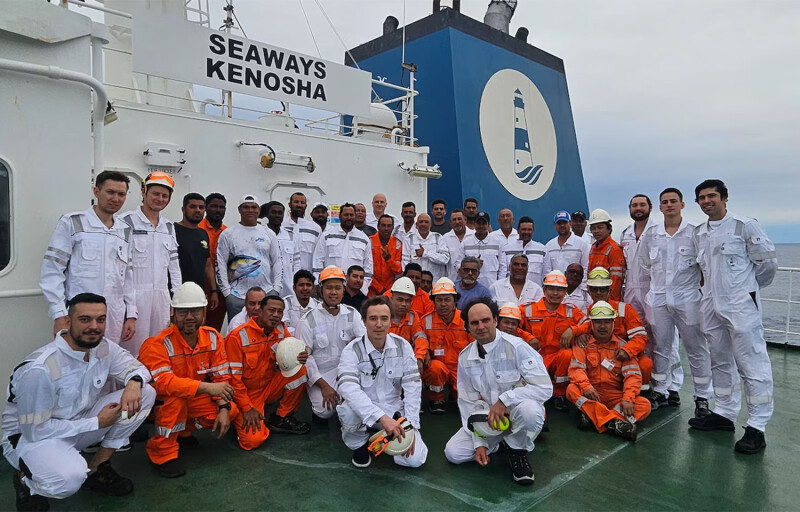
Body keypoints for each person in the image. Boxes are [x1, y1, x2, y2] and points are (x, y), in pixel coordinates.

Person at [2, 293, 154, 510]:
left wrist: (134, 382)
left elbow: (138, 368)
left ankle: (97, 467)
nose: (94, 326)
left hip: (76, 422)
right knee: (69, 480)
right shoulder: (40, 369)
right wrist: (96, 423)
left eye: (100, 320)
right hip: (30, 439)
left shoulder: (102, 348)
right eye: (85, 319)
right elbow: (35, 431)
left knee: (146, 393)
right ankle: (27, 482)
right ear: (67, 321)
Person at [689, 179, 777, 454]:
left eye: (712, 196)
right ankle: (725, 412)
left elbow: (767, 265)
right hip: (711, 304)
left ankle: (757, 426)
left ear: (725, 198)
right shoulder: (699, 232)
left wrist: (747, 292)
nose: (707, 201)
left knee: (752, 363)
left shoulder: (744, 225)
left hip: (740, 305)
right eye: (702, 198)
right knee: (720, 360)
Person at [444, 297, 551, 486]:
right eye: (474, 323)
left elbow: (544, 387)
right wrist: (480, 443)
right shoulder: (465, 358)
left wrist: (504, 400)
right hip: (489, 418)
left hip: (517, 411)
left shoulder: (517, 347)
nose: (481, 326)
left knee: (530, 412)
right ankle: (503, 442)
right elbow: (468, 404)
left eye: (485, 320)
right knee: (454, 453)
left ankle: (518, 452)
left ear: (495, 320)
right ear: (467, 327)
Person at [138, 282, 239, 478]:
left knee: (231, 409)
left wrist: (224, 408)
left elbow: (222, 378)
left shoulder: (213, 338)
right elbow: (164, 383)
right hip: (161, 403)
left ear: (204, 312)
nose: (190, 317)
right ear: (172, 313)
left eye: (195, 311)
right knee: (176, 400)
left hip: (192, 397)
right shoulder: (157, 344)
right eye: (183, 312)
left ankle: (183, 434)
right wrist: (207, 387)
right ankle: (162, 452)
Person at [638, 188, 713, 417]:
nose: (669, 205)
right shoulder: (651, 233)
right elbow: (643, 263)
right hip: (659, 297)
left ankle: (702, 397)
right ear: (659, 207)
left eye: (673, 201)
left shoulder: (694, 232)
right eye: (664, 202)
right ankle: (661, 390)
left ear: (682, 204)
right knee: (661, 346)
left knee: (696, 348)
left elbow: (705, 265)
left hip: (687, 298)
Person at [40, 170, 137, 344]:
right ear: (96, 191)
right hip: (80, 315)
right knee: (76, 362)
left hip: (113, 315)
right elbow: (52, 270)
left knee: (107, 362)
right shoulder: (73, 222)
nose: (116, 199)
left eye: (121, 194)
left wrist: (131, 314)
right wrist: (59, 314)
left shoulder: (125, 230)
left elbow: (128, 276)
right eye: (110, 192)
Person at [337, 296, 428, 468]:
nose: (379, 324)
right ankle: (360, 443)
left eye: (384, 318)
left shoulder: (403, 346)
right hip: (362, 410)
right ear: (364, 321)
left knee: (415, 460)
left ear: (390, 321)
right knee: (348, 411)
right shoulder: (352, 350)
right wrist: (381, 417)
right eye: (373, 318)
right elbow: (348, 388)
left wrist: (412, 428)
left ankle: (383, 438)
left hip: (393, 409)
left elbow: (413, 386)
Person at [226, 294, 311, 447]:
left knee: (300, 371)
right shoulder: (237, 336)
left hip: (269, 386)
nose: (276, 315)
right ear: (260, 311)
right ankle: (237, 421)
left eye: (280, 312)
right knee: (253, 441)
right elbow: (233, 380)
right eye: (271, 310)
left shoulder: (281, 331)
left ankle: (281, 417)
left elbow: (290, 358)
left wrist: (299, 356)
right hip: (246, 394)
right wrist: (246, 408)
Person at [567, 301, 651, 441]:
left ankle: (595, 419)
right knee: (571, 389)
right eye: (598, 322)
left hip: (615, 396)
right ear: (591, 324)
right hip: (592, 393)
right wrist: (586, 387)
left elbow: (633, 376)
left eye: (606, 322)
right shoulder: (582, 344)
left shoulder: (623, 348)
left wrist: (628, 398)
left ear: (613, 324)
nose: (602, 326)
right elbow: (576, 369)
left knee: (645, 405)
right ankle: (615, 422)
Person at [120, 172, 182, 356]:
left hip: (162, 297)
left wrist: (176, 298)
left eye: (165, 196)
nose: (160, 199)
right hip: (134, 296)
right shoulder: (126, 222)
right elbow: (122, 266)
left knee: (158, 347)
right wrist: (128, 303)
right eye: (155, 193)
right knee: (131, 350)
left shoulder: (168, 227)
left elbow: (174, 266)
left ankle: (153, 384)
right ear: (143, 192)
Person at [296, 266, 366, 423]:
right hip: (321, 374)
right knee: (324, 411)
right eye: (328, 288)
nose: (333, 292)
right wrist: (324, 386)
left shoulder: (352, 314)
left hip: (347, 370)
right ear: (320, 290)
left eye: (338, 288)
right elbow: (306, 358)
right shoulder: (308, 320)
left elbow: (363, 343)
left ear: (343, 290)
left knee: (358, 401)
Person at [571, 267, 653, 394]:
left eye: (603, 289)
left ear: (610, 290)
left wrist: (627, 350)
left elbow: (640, 337)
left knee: (645, 364)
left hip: (622, 356)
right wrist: (578, 335)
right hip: (595, 357)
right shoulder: (583, 313)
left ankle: (637, 395)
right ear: (589, 290)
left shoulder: (625, 309)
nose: (598, 293)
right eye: (594, 289)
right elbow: (576, 335)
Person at [520, 271, 585, 411]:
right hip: (533, 358)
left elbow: (588, 323)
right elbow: (509, 325)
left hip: (556, 358)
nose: (555, 293)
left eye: (560, 289)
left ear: (565, 292)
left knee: (568, 354)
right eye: (552, 288)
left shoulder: (570, 310)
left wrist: (573, 330)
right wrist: (527, 336)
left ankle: (558, 394)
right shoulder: (528, 309)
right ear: (544, 290)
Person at [216, 194, 283, 321]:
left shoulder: (269, 233)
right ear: (239, 210)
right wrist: (227, 293)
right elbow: (220, 263)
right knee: (237, 333)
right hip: (237, 296)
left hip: (267, 294)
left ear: (259, 210)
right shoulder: (228, 234)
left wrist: (276, 289)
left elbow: (277, 261)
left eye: (254, 207)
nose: (250, 210)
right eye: (246, 207)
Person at [421, 278, 472, 414]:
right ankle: (436, 399)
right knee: (435, 368)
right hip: (438, 368)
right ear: (434, 301)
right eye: (439, 300)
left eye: (447, 300)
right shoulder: (426, 321)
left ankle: (454, 396)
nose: (443, 304)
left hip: (461, 370)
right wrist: (424, 351)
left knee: (468, 403)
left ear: (455, 301)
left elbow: (475, 347)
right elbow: (420, 342)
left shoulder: (466, 319)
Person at [313, 203, 374, 295]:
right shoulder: (327, 236)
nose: (349, 217)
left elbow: (368, 267)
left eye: (351, 215)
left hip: (355, 291)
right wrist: (319, 284)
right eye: (346, 215)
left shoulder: (364, 239)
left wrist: (363, 289)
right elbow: (317, 261)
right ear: (340, 216)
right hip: (332, 289)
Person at [174, 194, 217, 312]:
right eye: (193, 207)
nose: (197, 210)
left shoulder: (203, 234)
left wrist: (213, 291)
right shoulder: (172, 231)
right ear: (183, 209)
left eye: (201, 207)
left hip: (199, 293)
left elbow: (207, 264)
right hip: (177, 294)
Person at [620, 195, 657, 324]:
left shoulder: (658, 231)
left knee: (660, 332)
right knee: (635, 329)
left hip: (653, 288)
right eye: (634, 205)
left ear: (650, 207)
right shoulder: (625, 234)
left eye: (642, 205)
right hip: (630, 289)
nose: (638, 208)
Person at [388, 277, 429, 370]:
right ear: (391, 299)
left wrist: (419, 357)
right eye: (400, 299)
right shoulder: (383, 316)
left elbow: (421, 339)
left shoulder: (413, 317)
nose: (404, 304)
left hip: (406, 360)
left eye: (408, 301)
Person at [200, 192, 228, 330]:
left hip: (221, 287)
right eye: (214, 206)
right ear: (206, 207)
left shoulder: (228, 232)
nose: (218, 210)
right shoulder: (198, 229)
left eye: (221, 207)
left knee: (215, 327)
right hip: (200, 285)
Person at [542, 210, 590, 288]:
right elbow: (547, 271)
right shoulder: (549, 246)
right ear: (555, 225)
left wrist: (582, 288)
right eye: (559, 223)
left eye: (565, 222)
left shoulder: (581, 244)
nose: (562, 225)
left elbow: (586, 267)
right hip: (556, 290)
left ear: (570, 223)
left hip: (576, 290)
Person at [261, 201, 298, 296]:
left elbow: (296, 262)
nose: (277, 215)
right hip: (266, 286)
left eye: (280, 213)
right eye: (273, 212)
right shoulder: (260, 233)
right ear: (267, 215)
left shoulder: (291, 235)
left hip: (288, 288)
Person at [587, 208, 625, 301]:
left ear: (609, 229)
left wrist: (609, 302)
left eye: (600, 227)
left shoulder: (614, 249)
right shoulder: (593, 248)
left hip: (610, 300)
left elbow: (616, 280)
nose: (596, 231)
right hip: (595, 298)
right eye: (593, 228)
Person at [462, 211, 507, 288]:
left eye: (484, 223)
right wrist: (472, 263)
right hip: (470, 286)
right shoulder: (465, 242)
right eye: (478, 223)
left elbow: (502, 267)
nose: (481, 226)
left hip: (492, 286)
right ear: (474, 224)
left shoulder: (498, 242)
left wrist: (499, 285)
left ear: (488, 225)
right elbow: (458, 265)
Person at [282, 192, 322, 272]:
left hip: (307, 277)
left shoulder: (315, 229)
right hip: (285, 276)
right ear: (290, 204)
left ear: (306, 206)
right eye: (296, 202)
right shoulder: (281, 226)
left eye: (302, 203)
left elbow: (318, 256)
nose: (299, 205)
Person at [403, 213, 450, 281]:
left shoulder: (438, 237)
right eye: (421, 221)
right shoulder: (409, 239)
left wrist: (425, 253)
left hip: (435, 281)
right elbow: (405, 262)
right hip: (415, 282)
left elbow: (445, 259)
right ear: (416, 225)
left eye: (426, 222)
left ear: (430, 225)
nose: (423, 224)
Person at [501, 217, 546, 285]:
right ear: (518, 230)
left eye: (529, 230)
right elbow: (502, 273)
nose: (526, 232)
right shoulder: (506, 249)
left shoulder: (542, 250)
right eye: (524, 229)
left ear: (533, 231)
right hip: (510, 291)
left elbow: (546, 274)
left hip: (535, 292)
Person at [369, 215, 403, 297]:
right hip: (371, 289)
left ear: (393, 227)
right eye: (383, 225)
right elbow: (367, 270)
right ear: (378, 226)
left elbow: (398, 270)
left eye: (389, 226)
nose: (386, 228)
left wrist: (389, 260)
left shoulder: (397, 244)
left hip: (390, 291)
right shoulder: (369, 242)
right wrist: (379, 288)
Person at [282, 270, 319, 335]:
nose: (305, 288)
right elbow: (284, 328)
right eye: (301, 285)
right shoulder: (285, 304)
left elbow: (317, 330)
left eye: (308, 285)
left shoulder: (317, 306)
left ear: (313, 288)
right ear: (294, 288)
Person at [441, 208, 469, 281]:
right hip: (452, 281)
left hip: (472, 280)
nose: (457, 222)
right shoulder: (445, 238)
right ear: (450, 222)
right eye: (454, 219)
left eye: (459, 219)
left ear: (465, 220)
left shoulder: (474, 235)